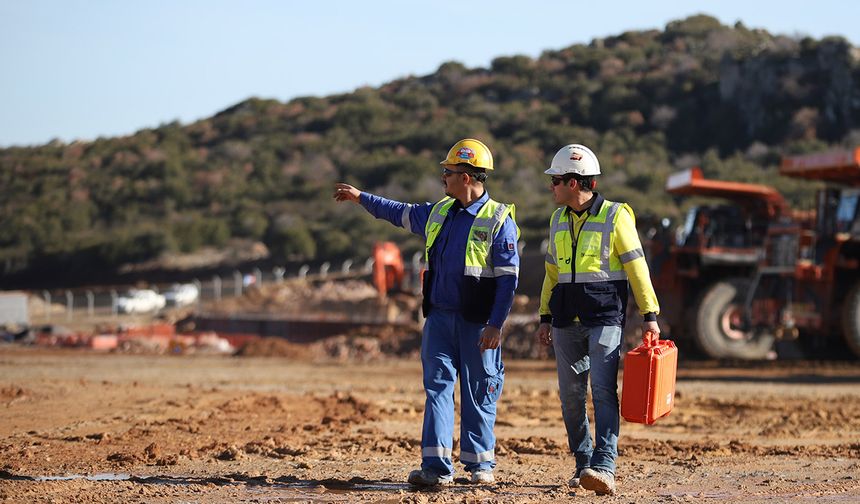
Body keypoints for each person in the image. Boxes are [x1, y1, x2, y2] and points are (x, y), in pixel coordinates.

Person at [333, 138, 520, 487]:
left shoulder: (498, 220)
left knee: (479, 391)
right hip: (439, 319)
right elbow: (396, 211)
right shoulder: (437, 213)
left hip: (478, 323)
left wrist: (496, 324)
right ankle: (435, 468)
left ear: (466, 177)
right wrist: (361, 198)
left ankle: (481, 465)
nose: (442, 179)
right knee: (437, 390)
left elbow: (508, 281)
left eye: (447, 173)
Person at [534, 144, 660, 496]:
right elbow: (551, 272)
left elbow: (637, 267)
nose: (551, 187)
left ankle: (604, 464)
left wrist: (650, 315)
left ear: (574, 183)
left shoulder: (616, 216)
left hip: (604, 317)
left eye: (556, 180)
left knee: (603, 391)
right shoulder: (557, 218)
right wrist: (545, 316)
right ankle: (583, 462)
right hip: (564, 320)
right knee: (571, 397)